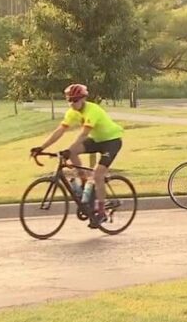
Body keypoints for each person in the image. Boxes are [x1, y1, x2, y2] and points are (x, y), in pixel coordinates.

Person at [31, 84, 124, 228]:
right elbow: (60, 131)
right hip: (97, 140)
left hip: (111, 141)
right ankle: (85, 185)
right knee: (73, 153)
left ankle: (101, 212)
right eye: (69, 100)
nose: (72, 103)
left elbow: (84, 134)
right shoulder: (72, 112)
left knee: (98, 174)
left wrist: (68, 149)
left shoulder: (92, 110)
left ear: (83, 99)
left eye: (75, 100)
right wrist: (41, 147)